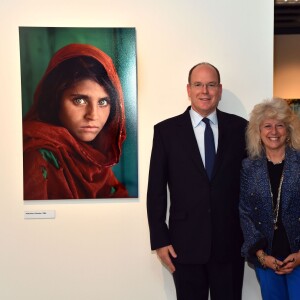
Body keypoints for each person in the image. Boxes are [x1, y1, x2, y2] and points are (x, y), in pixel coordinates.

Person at [147, 62, 247, 300]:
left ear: (219, 90)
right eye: (199, 85)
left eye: (211, 85)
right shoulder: (166, 131)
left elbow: (250, 185)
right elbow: (156, 190)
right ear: (188, 89)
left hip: (230, 243)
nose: (205, 91)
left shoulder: (241, 129)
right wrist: (160, 240)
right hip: (184, 245)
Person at [23, 43, 128, 199]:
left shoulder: (95, 158)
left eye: (103, 102)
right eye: (80, 100)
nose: (93, 115)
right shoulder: (36, 159)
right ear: (55, 100)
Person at [239, 98, 300, 300]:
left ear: (288, 129)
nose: (273, 131)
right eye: (267, 126)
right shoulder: (249, 166)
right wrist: (262, 256)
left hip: (298, 255)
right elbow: (245, 212)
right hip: (266, 257)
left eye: (279, 125)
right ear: (258, 131)